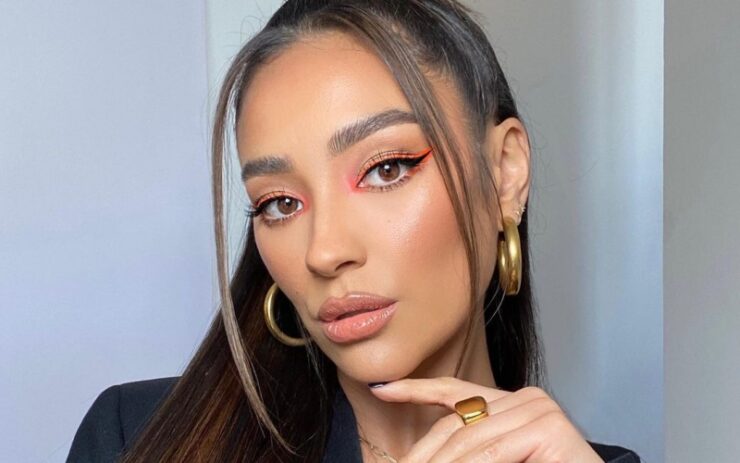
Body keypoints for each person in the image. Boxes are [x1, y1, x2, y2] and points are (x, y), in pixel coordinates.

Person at [67, 1, 642, 461]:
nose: (324, 252)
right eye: (280, 203)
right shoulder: (138, 438)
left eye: (386, 169)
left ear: (504, 173)